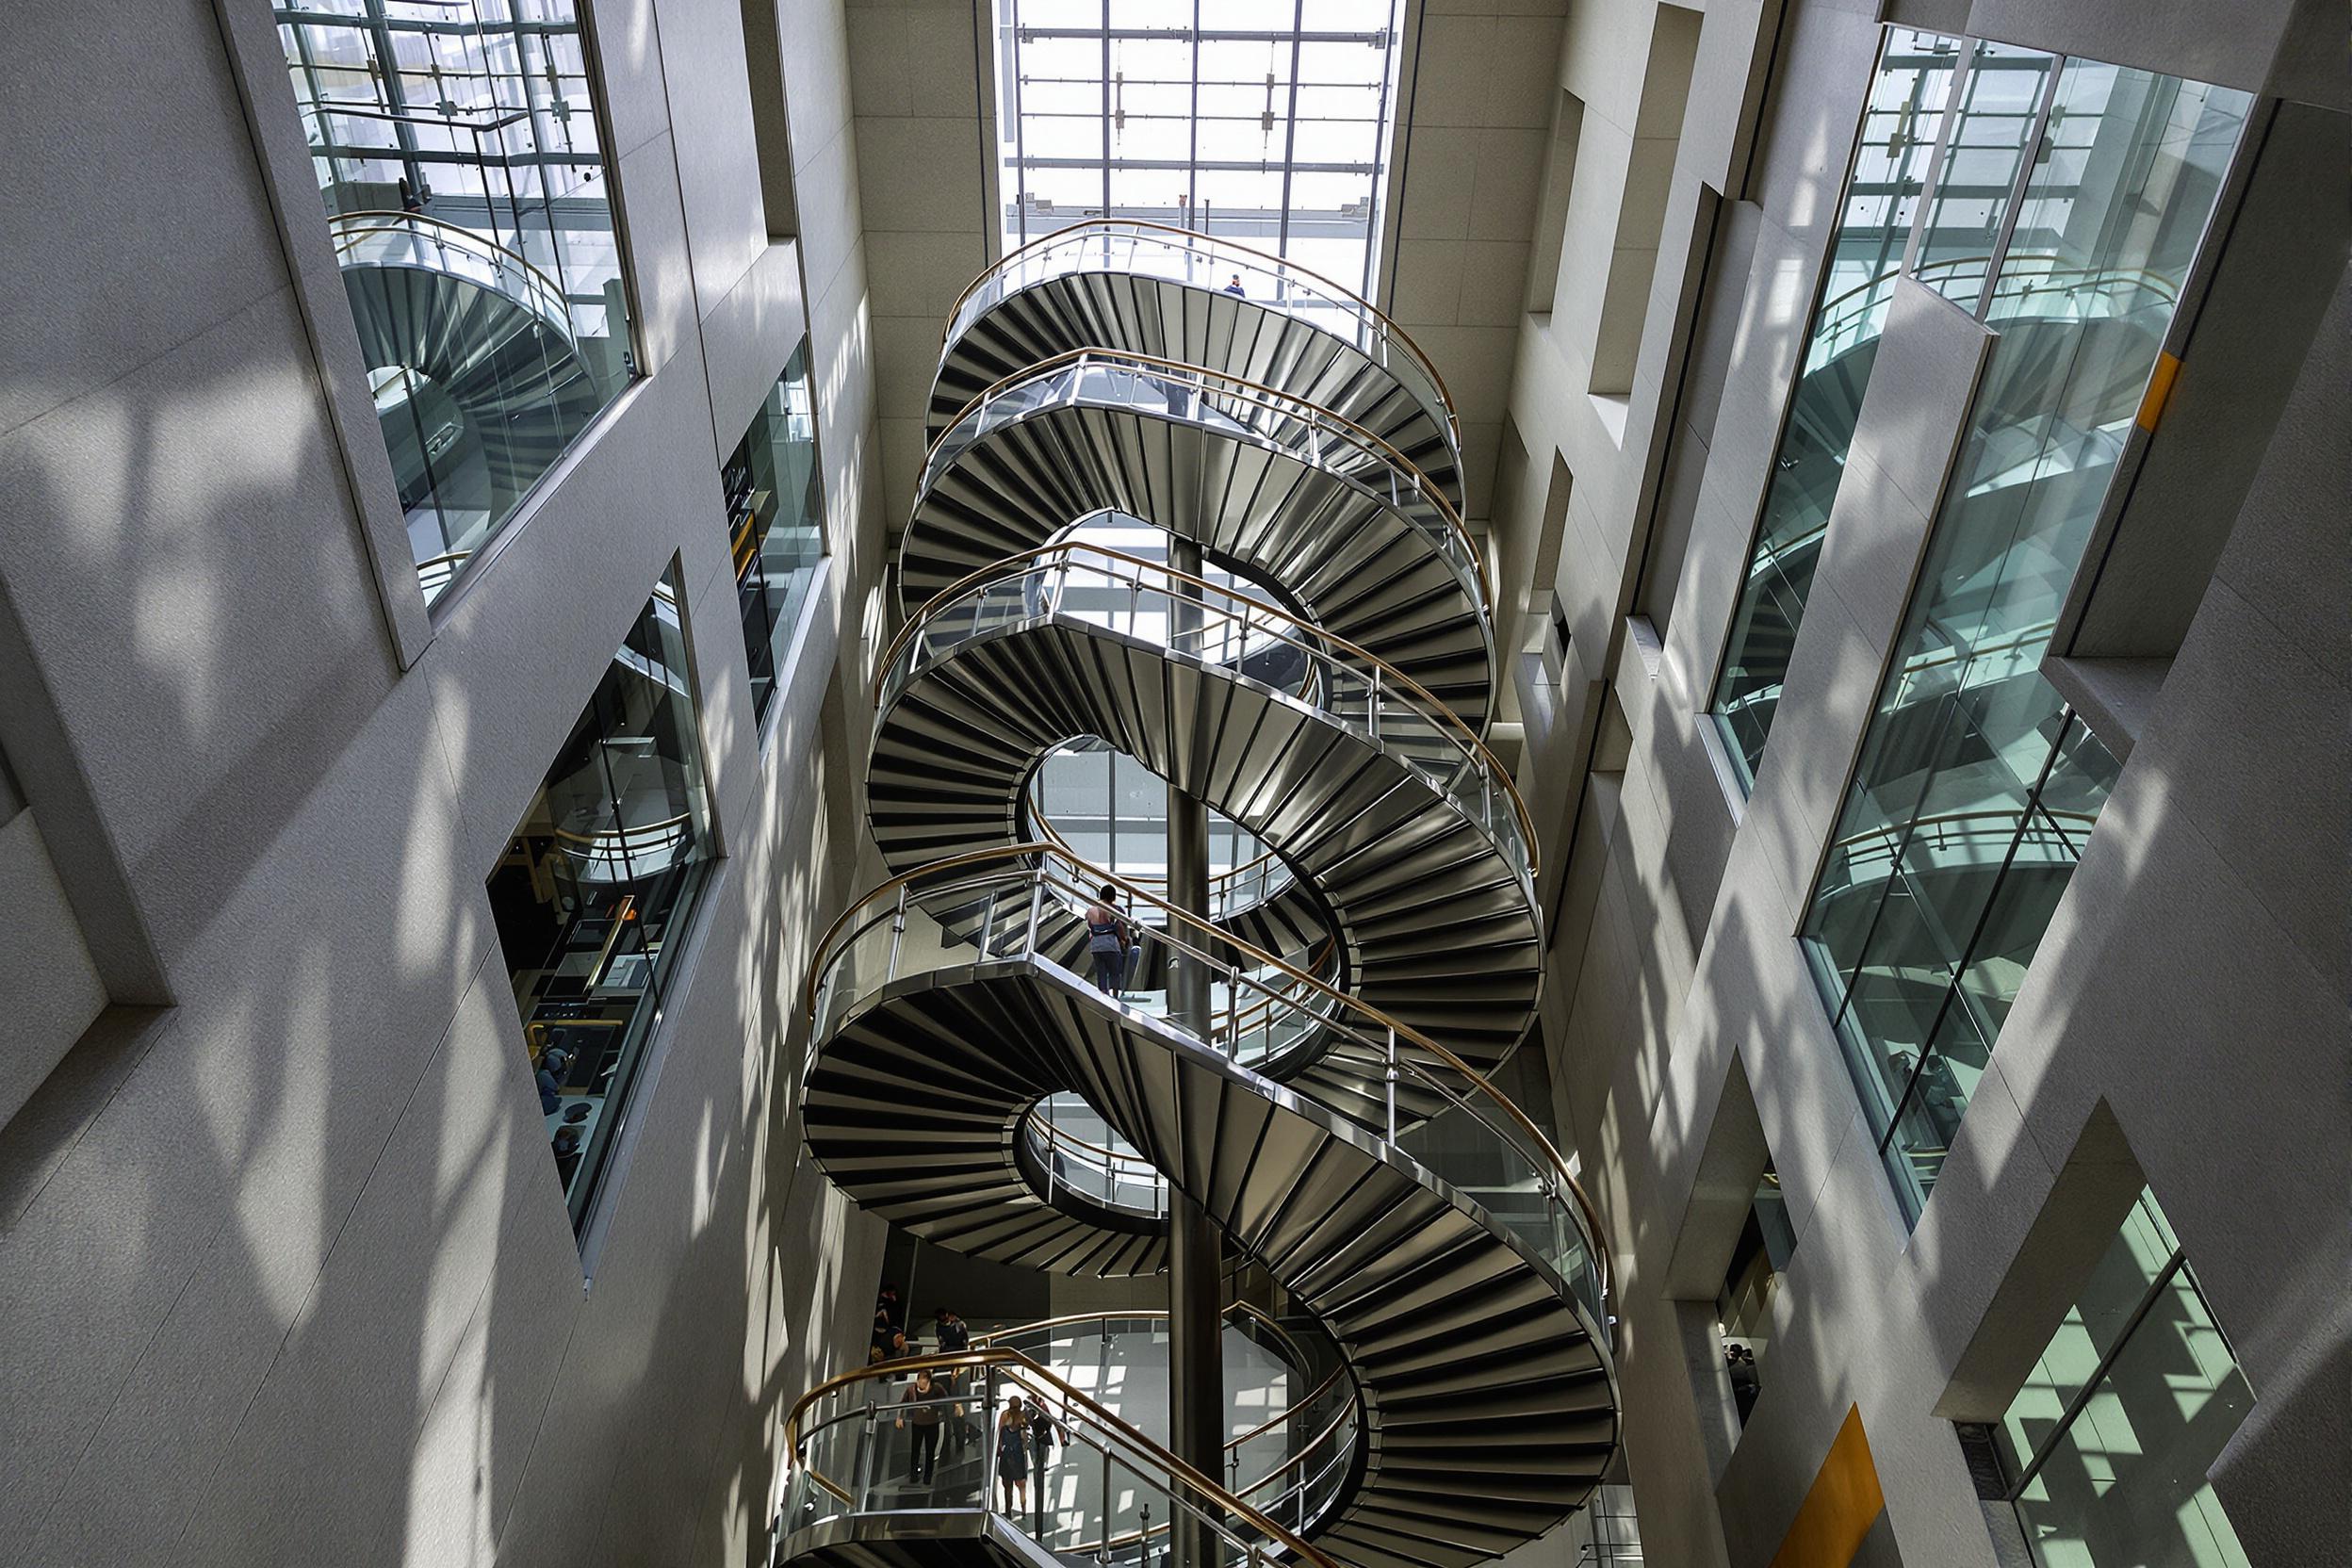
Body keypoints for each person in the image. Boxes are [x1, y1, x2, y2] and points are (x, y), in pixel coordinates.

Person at [897, 1368, 952, 1488]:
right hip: (917, 1424)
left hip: (932, 1424)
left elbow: (947, 1398)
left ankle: (928, 1477)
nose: (922, 1385)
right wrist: (900, 1418)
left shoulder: (936, 1388)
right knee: (915, 1450)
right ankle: (913, 1475)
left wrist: (953, 1407)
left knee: (930, 1451)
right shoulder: (911, 1390)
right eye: (920, 1381)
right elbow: (902, 1403)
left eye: (924, 1382)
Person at [1085, 883, 1138, 997]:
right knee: (1114, 972)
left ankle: (1103, 996)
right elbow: (1119, 925)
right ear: (1113, 896)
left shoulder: (1091, 909)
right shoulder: (1116, 909)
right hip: (1110, 944)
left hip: (1096, 945)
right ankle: (1115, 996)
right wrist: (1124, 939)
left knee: (1101, 973)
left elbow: (1090, 925)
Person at [1025, 1395, 1067, 1531]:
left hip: (1041, 1436)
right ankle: (1039, 1465)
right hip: (1035, 1437)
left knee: (1042, 1452)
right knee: (1036, 1453)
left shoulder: (1043, 1410)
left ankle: (1042, 1465)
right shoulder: (1028, 1412)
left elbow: (1049, 1422)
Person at [994, 1398, 1030, 1514]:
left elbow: (1000, 1433)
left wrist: (999, 1447)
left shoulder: (1008, 1416)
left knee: (1012, 1484)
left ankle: (1015, 1509)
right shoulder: (1020, 1417)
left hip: (1012, 1453)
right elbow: (1024, 1439)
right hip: (1015, 1453)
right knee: (1016, 1484)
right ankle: (1017, 1509)